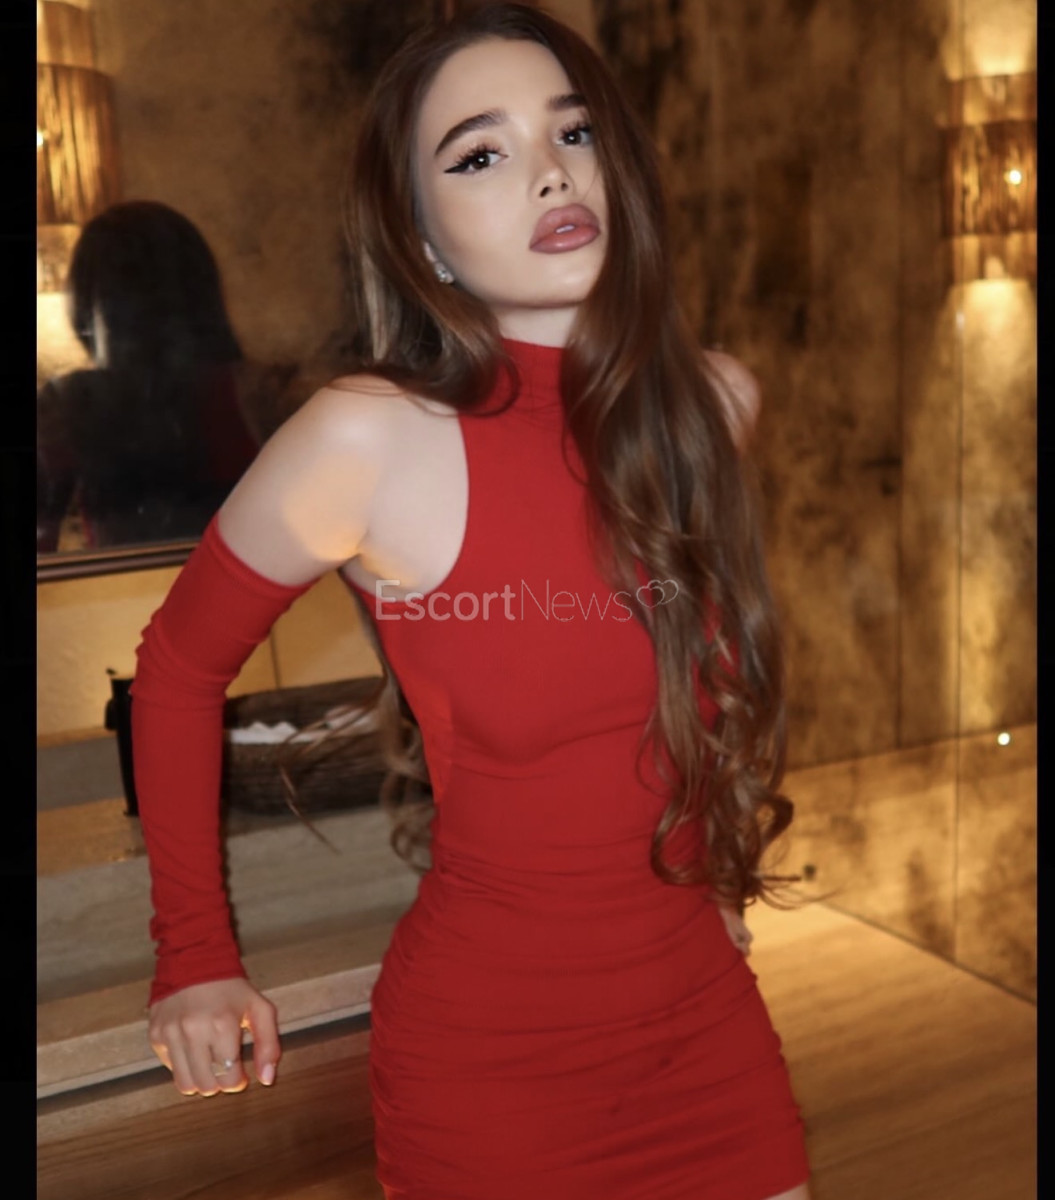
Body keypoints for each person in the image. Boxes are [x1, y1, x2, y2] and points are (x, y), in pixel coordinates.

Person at [134, 5, 810, 1198]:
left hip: (703, 1023)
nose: (550, 171)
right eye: (480, 154)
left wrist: (706, 873)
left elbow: (676, 689)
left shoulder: (712, 408)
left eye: (572, 132)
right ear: (422, 240)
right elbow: (177, 668)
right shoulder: (366, 438)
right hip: (495, 1067)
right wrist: (194, 957)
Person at [36, 200, 295, 553]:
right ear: (202, 294)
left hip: (124, 586)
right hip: (246, 583)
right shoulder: (265, 394)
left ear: (91, 303)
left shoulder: (70, 404)